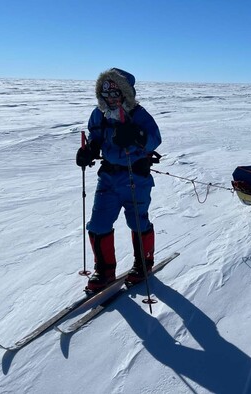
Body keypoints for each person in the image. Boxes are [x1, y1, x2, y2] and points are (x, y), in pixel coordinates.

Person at [76, 68, 162, 293]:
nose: (111, 99)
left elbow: (154, 139)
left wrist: (136, 135)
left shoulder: (139, 114)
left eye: (116, 94)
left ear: (126, 93)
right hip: (108, 177)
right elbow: (95, 137)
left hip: (136, 177)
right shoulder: (99, 115)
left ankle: (143, 265)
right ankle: (104, 271)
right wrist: (89, 151)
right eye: (106, 95)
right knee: (98, 224)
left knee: (137, 222)